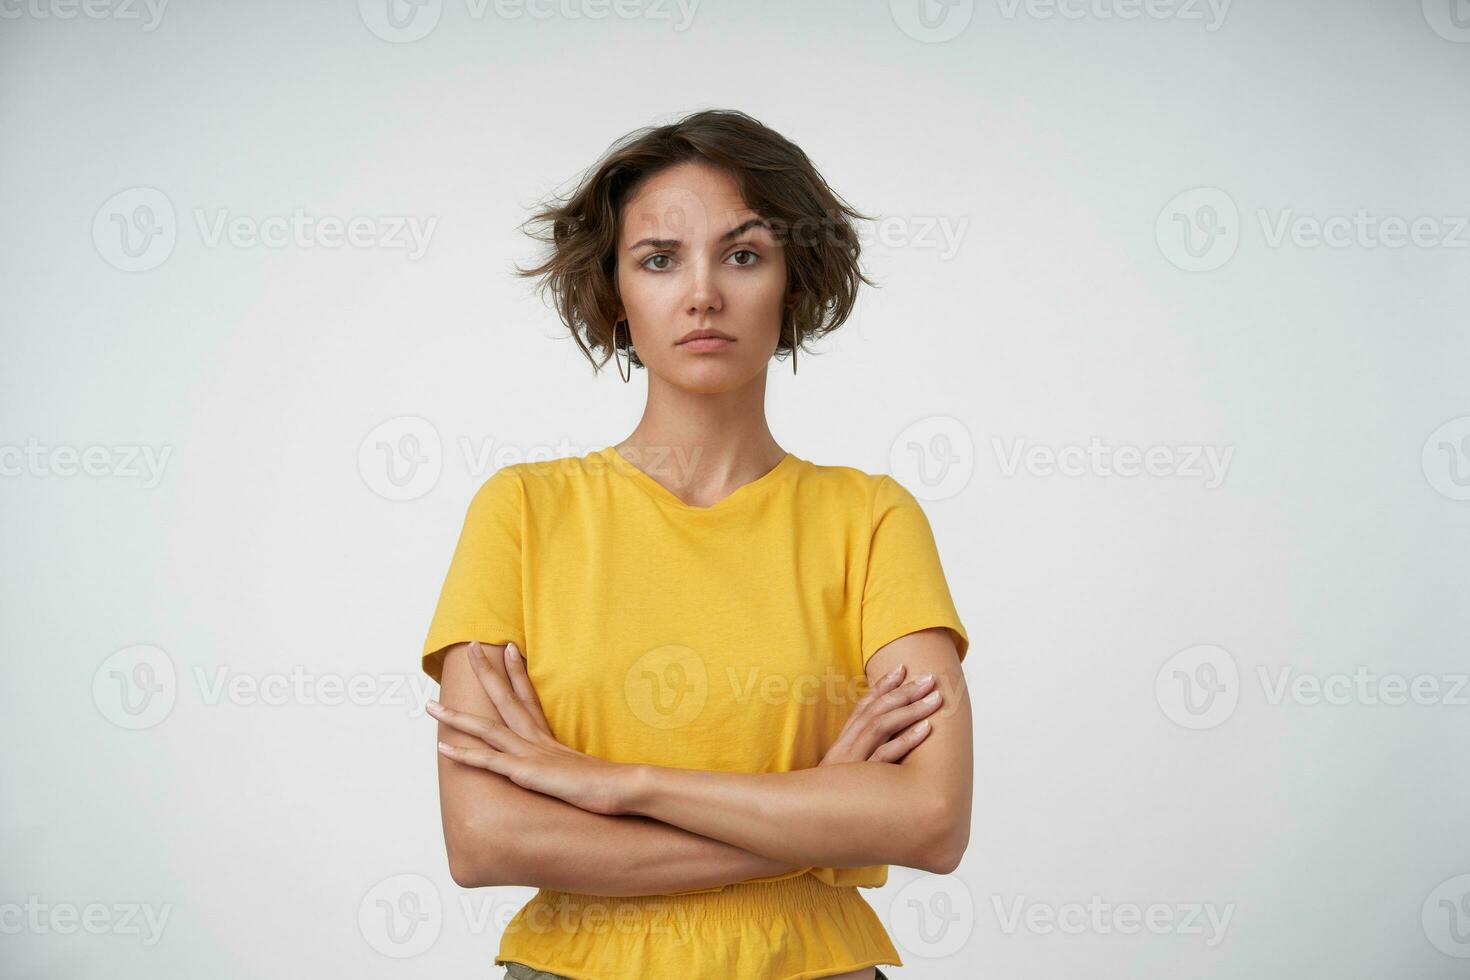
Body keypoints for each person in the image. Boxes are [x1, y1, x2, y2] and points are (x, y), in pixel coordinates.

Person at [421, 108, 972, 979]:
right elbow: (486, 839)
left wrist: (620, 786)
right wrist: (819, 816)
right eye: (659, 259)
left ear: (794, 285)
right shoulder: (522, 512)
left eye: (744, 254)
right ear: (616, 295)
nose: (703, 293)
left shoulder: (871, 520)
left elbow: (930, 822)